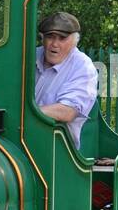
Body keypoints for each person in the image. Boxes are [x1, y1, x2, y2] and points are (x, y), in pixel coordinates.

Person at [34, 11, 98, 149]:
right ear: (42, 38)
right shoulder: (30, 56)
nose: (55, 44)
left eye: (62, 38)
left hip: (58, 150)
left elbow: (67, 112)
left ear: (75, 41)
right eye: (50, 37)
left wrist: (25, 113)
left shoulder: (83, 66)